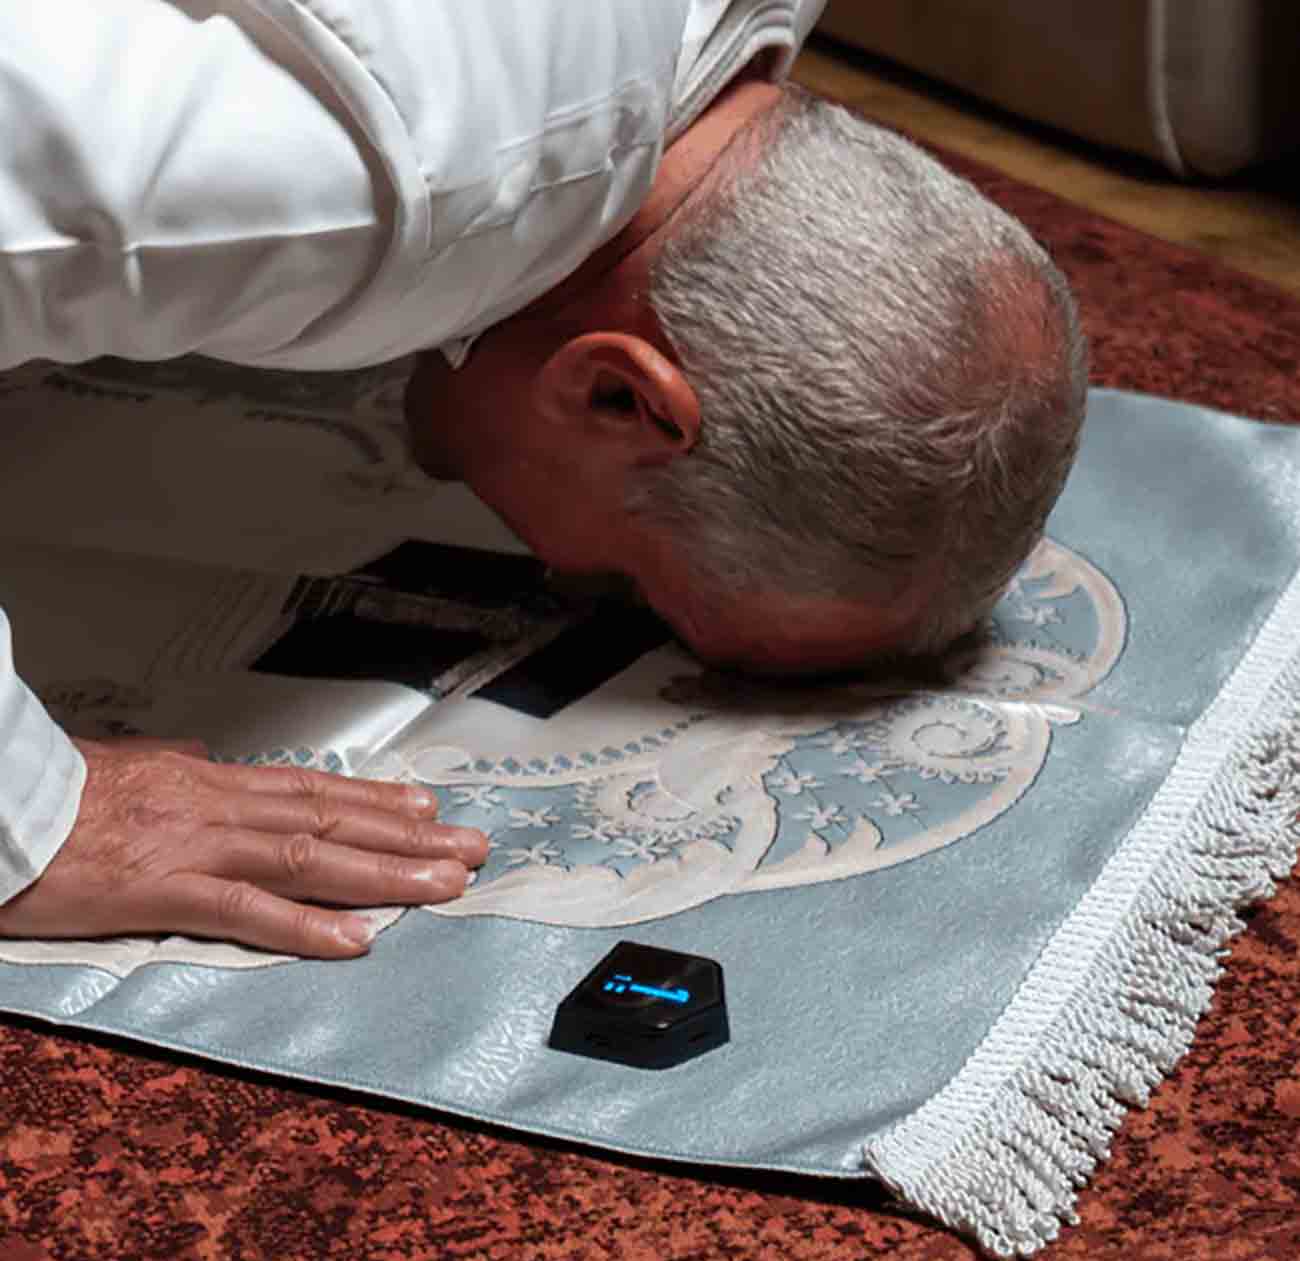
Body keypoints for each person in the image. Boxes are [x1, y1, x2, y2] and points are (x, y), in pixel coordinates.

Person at [0, 0, 1088, 959]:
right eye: (628, 583)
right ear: (618, 397)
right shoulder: (333, 187)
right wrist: (34, 817)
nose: (559, 575)